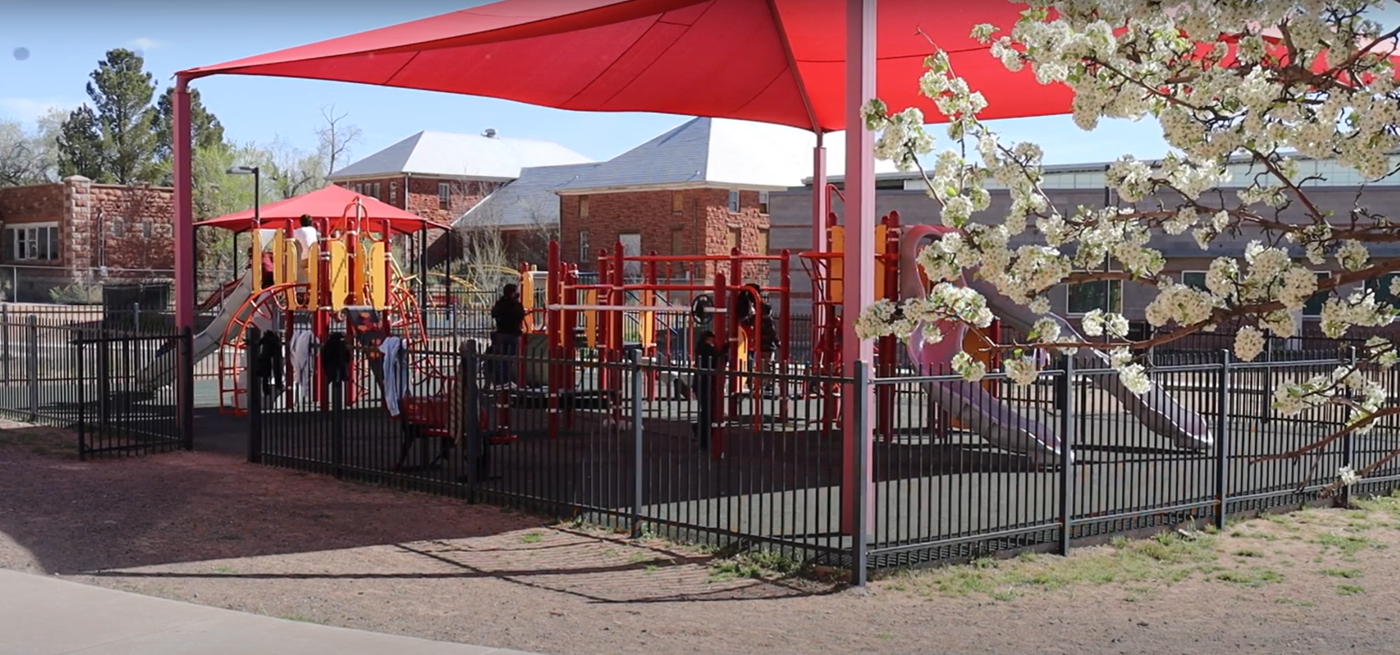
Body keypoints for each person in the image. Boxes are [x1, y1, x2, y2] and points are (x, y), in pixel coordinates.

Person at [692, 330, 728, 448]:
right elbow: (716, 358)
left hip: (701, 382)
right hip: (705, 382)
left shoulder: (700, 348)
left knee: (706, 409)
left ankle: (700, 430)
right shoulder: (706, 348)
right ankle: (703, 434)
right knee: (708, 410)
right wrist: (726, 347)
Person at [489, 283, 526, 387]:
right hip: (513, 333)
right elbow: (520, 316)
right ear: (513, 293)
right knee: (510, 359)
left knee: (500, 358)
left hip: (501, 333)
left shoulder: (500, 303)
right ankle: (506, 381)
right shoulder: (516, 305)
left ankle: (499, 381)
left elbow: (494, 314)